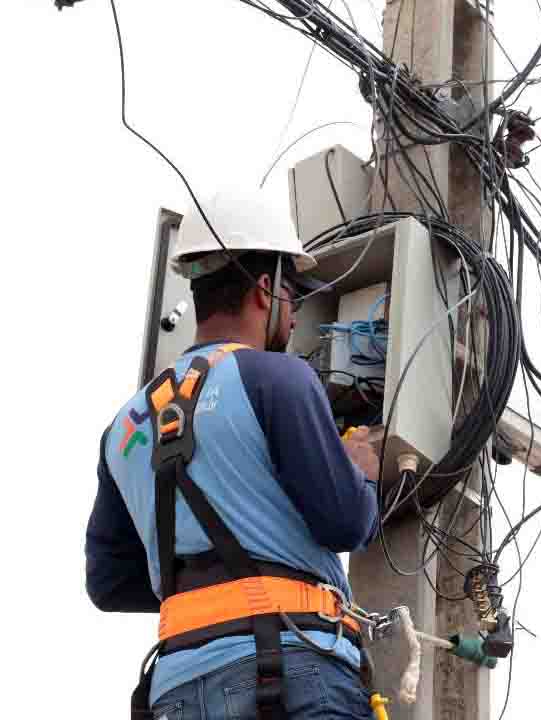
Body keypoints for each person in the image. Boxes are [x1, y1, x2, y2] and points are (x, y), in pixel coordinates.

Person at [86, 187, 381, 719]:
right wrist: (360, 469)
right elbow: (344, 523)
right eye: (292, 294)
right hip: (296, 673)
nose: (294, 318)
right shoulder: (277, 378)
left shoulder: (122, 427)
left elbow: (110, 585)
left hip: (175, 690)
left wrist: (216, 584)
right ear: (265, 290)